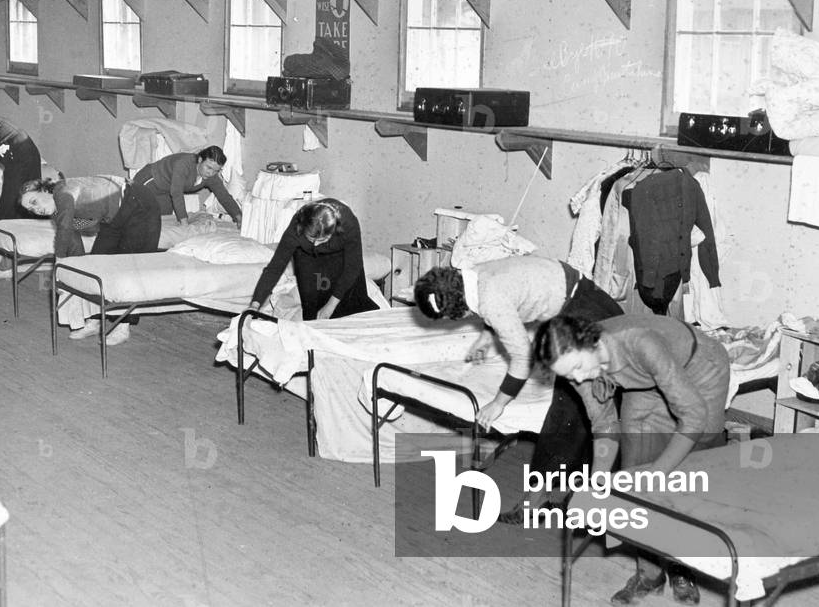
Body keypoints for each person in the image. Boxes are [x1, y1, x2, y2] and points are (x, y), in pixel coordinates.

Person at [531, 313, 731, 606]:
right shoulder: (578, 365)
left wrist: (659, 472)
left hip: (700, 369)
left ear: (591, 343)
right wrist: (598, 482)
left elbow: (694, 415)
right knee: (632, 474)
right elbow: (605, 425)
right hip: (645, 382)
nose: (576, 380)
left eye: (576, 369)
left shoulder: (641, 343)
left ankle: (681, 570)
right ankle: (649, 575)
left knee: (685, 470)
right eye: (568, 376)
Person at [412, 255, 622, 522]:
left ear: (459, 312)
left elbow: (523, 356)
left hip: (590, 314)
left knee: (568, 409)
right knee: (577, 409)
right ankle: (565, 494)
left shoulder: (491, 302)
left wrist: (498, 403)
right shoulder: (472, 273)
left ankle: (542, 502)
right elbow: (497, 301)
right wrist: (487, 337)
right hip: (588, 298)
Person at [20, 175, 163, 346]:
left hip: (139, 204)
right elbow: (74, 238)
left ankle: (122, 326)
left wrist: (58, 262)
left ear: (44, 189)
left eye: (34, 201)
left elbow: (65, 231)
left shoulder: (62, 192)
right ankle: (94, 321)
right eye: (30, 208)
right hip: (115, 214)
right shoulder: (59, 212)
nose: (35, 209)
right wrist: (73, 273)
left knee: (129, 269)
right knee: (95, 266)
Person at [248, 198, 378, 320]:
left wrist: (330, 306)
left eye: (321, 240)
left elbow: (353, 267)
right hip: (306, 257)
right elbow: (275, 267)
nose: (315, 245)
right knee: (311, 306)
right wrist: (255, 305)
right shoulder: (296, 227)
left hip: (339, 255)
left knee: (352, 303)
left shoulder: (348, 223)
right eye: (311, 239)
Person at [132, 146, 241, 226]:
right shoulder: (183, 164)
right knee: (140, 220)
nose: (211, 173)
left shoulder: (211, 176)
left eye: (216, 171)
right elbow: (177, 193)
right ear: (199, 160)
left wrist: (239, 217)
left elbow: (224, 196)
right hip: (150, 181)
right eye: (209, 168)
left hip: (165, 191)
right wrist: (184, 223)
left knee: (163, 223)